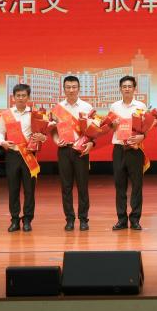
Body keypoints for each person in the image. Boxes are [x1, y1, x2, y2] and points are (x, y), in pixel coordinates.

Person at [0, 83, 48, 232]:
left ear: (28, 97)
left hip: (29, 155)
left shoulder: (35, 114)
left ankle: (27, 220)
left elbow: (44, 135)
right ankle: (14, 220)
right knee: (13, 189)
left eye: (23, 95)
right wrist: (2, 142)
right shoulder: (6, 114)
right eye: (18, 95)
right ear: (13, 97)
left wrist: (42, 138)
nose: (20, 98)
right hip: (12, 154)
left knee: (29, 190)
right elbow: (0, 132)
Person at [51, 75, 94, 231]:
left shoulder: (87, 107)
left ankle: (83, 219)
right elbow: (52, 130)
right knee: (66, 186)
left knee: (83, 186)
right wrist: (56, 140)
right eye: (68, 87)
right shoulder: (57, 109)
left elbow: (93, 131)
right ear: (64, 89)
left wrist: (91, 143)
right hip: (64, 150)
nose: (71, 90)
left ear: (78, 88)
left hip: (81, 150)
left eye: (74, 87)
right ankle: (69, 219)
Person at [109, 75, 148, 230]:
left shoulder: (141, 106)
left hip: (135, 149)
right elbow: (111, 128)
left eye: (129, 86)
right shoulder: (114, 107)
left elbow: (145, 129)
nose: (127, 89)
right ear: (120, 89)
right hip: (119, 149)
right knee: (120, 186)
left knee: (137, 186)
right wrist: (113, 125)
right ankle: (121, 219)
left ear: (134, 89)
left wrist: (142, 137)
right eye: (124, 86)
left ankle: (135, 219)